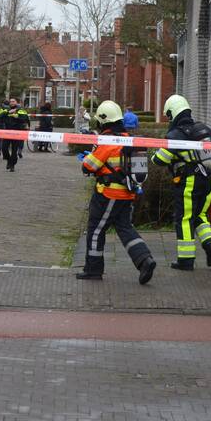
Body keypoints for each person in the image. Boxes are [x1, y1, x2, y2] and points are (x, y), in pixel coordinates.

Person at [76, 100, 157, 284]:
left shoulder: (107, 141)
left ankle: (93, 270)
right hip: (128, 193)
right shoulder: (128, 138)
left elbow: (88, 167)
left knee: (96, 230)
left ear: (103, 121)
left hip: (108, 195)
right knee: (125, 228)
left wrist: (88, 155)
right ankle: (145, 260)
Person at [150, 95, 211, 270]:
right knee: (200, 216)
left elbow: (160, 159)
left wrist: (155, 154)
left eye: (169, 115)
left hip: (189, 182)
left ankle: (186, 260)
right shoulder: (205, 130)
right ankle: (210, 244)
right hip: (209, 180)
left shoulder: (176, 134)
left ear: (173, 113)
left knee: (184, 218)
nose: (169, 119)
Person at [3, 98, 29, 172]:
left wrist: (18, 117)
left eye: (13, 101)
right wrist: (8, 112)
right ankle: (8, 160)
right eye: (10, 101)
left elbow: (25, 118)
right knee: (4, 148)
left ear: (16, 102)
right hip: (7, 132)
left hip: (16, 132)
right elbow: (0, 117)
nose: (12, 102)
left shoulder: (20, 110)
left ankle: (12, 165)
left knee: (14, 151)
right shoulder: (6, 109)